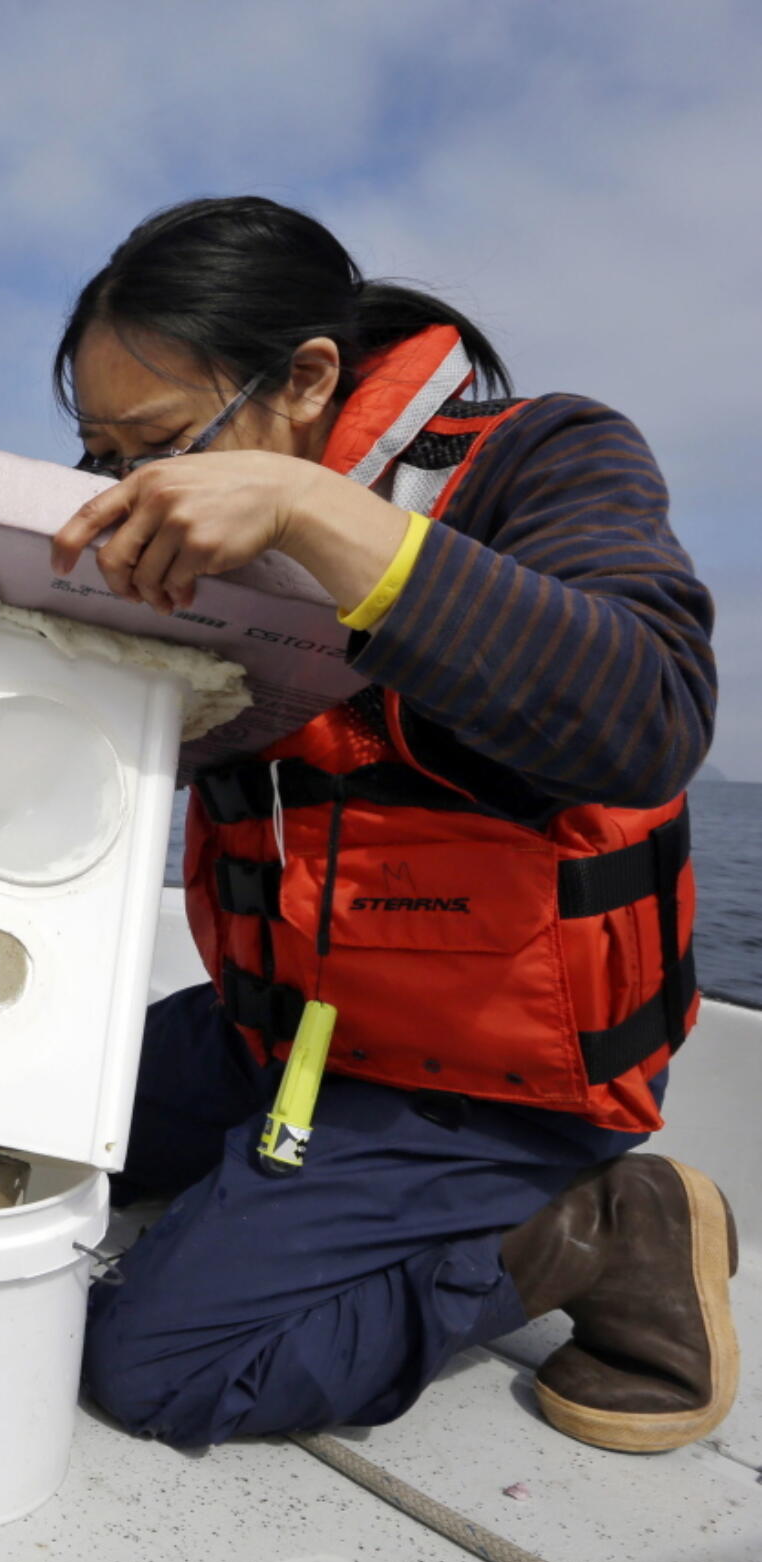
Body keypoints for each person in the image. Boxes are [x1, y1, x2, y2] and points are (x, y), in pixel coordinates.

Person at [49, 196, 737, 1455]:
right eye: (106, 459)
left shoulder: (554, 455)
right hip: (288, 1028)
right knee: (12, 1107)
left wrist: (321, 521)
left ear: (307, 376)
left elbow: (649, 715)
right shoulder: (188, 546)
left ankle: (594, 1227)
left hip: (484, 1078)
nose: (134, 486)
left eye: (155, 443)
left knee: (156, 1369)